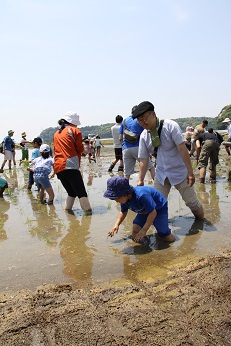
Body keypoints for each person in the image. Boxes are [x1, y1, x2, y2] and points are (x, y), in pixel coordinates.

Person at [132, 101, 204, 219]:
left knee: (192, 204)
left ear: (153, 114)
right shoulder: (144, 136)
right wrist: (140, 180)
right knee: (155, 205)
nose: (142, 123)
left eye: (144, 118)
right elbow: (144, 159)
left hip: (180, 172)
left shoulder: (170, 126)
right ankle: (162, 231)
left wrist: (190, 172)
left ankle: (202, 223)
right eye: (139, 120)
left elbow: (182, 149)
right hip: (161, 175)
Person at [103, 176, 175, 242]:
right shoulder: (124, 200)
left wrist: (144, 230)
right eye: (114, 199)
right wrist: (116, 225)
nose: (117, 201)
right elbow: (123, 212)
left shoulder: (141, 196)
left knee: (163, 233)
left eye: (118, 198)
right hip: (144, 210)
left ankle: (173, 246)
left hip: (159, 208)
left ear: (126, 194)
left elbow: (153, 213)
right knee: (135, 230)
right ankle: (144, 247)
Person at [53, 111, 92, 215]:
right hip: (70, 166)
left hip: (58, 167)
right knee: (81, 193)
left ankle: (68, 212)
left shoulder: (57, 133)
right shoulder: (75, 131)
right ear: (74, 122)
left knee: (71, 193)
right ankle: (88, 214)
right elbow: (79, 148)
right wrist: (86, 152)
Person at [119, 107, 155, 180]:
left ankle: (125, 189)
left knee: (127, 173)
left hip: (126, 148)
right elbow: (146, 135)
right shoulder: (140, 120)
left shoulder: (124, 121)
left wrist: (123, 147)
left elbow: (120, 138)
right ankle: (157, 184)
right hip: (138, 147)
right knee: (150, 167)